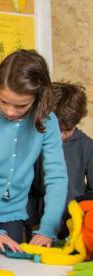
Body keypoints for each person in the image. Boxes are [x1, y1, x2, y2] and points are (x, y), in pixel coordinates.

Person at [0, 49, 68, 253]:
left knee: (13, 268)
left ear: (38, 98)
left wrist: (47, 229)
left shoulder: (48, 122)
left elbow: (57, 177)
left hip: (13, 210)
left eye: (20, 106)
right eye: (4, 101)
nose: (10, 111)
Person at [28, 82, 93, 239]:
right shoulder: (34, 140)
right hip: (35, 223)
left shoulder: (87, 145)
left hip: (73, 226)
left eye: (67, 130)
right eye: (57, 129)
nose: (61, 136)